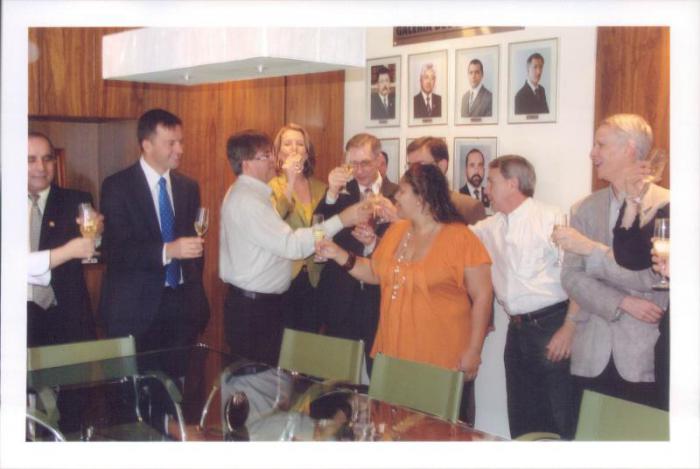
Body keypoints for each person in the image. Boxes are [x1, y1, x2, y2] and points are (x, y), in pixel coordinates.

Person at [316, 163, 493, 425]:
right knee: (396, 429)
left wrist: (474, 350)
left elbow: (483, 296)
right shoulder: (397, 231)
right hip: (395, 352)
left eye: (402, 191)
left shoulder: (460, 237)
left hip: (441, 357)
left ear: (421, 198)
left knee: (436, 433)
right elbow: (376, 273)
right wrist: (338, 254)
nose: (395, 196)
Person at [219, 130, 370, 365]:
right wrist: (342, 219)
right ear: (247, 164)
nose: (272, 160)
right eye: (266, 156)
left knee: (279, 372)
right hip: (255, 309)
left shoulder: (252, 193)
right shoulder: (249, 200)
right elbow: (291, 245)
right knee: (258, 377)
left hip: (267, 303)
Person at [558, 114, 669, 409]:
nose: (592, 153)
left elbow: (652, 278)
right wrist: (622, 302)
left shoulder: (665, 206)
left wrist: (591, 251)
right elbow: (571, 277)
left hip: (643, 355)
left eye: (601, 144)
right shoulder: (583, 208)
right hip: (590, 354)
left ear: (629, 148)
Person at [470, 155, 577, 440]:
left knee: (559, 418)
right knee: (521, 419)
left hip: (552, 327)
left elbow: (577, 276)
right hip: (517, 332)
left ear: (512, 184)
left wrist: (570, 328)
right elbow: (454, 238)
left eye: (491, 182)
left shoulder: (551, 218)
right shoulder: (491, 226)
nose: (486, 189)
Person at [99, 109, 210, 352]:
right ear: (147, 145)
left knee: (180, 376)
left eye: (181, 142)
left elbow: (195, 250)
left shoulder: (188, 187)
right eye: (171, 143)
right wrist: (168, 251)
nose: (180, 149)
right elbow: (117, 250)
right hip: (136, 311)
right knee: (139, 377)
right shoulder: (118, 186)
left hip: (183, 309)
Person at [314, 133, 398, 373]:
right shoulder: (339, 193)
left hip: (379, 300)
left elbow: (406, 244)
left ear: (379, 160)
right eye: (353, 164)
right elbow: (317, 228)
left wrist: (376, 242)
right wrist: (331, 193)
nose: (359, 171)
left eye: (365, 163)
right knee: (336, 378)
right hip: (341, 298)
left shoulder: (398, 194)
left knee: (380, 376)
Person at [27, 132, 98, 347]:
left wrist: (98, 234)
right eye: (31, 160)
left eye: (47, 159)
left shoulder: (76, 201)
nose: (41, 167)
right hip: (15, 318)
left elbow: (97, 245)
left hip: (66, 317)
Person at [268, 123, 328, 332]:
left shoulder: (322, 188)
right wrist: (290, 181)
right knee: (284, 341)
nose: (294, 148)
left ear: (307, 152)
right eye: (288, 144)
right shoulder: (271, 186)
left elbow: (327, 227)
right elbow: (273, 222)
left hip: (315, 276)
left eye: (300, 144)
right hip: (284, 276)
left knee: (309, 341)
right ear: (278, 153)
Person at [406, 137, 486, 225]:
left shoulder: (468, 208)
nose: (412, 172)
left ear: (441, 166)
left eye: (418, 166)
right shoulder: (406, 206)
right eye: (410, 166)